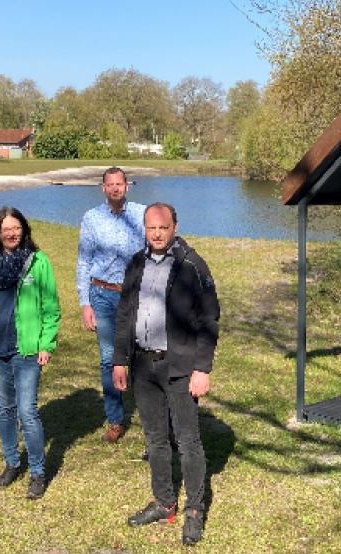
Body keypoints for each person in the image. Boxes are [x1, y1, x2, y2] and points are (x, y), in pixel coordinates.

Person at [112, 202, 220, 546]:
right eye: (151, 228)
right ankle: (164, 502)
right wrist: (120, 360)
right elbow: (125, 314)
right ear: (144, 229)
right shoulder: (137, 263)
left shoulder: (192, 266)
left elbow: (209, 321)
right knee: (155, 439)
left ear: (174, 226)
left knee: (187, 442)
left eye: (163, 227)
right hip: (144, 366)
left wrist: (202, 368)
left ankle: (194, 509)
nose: (157, 234)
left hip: (181, 367)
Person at [0, 207, 60, 500]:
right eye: (6, 228)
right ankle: (11, 464)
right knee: (5, 410)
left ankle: (37, 472)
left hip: (27, 350)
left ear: (24, 229)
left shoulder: (37, 262)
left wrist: (46, 343)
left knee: (27, 412)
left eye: (16, 227)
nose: (11, 233)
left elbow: (51, 307)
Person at [76, 166, 146, 443]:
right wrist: (85, 303)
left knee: (142, 355)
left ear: (127, 186)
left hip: (135, 295)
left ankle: (150, 410)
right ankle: (115, 419)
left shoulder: (141, 215)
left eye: (120, 183)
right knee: (108, 359)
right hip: (102, 295)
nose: (116, 188)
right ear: (103, 188)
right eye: (110, 184)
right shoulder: (92, 218)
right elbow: (84, 261)